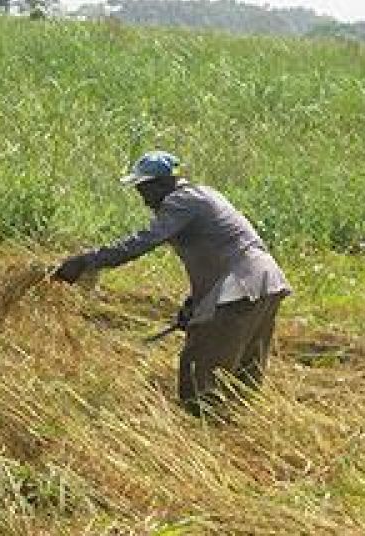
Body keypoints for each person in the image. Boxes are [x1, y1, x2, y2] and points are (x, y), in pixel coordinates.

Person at [52, 151, 291, 417]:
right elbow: (219, 250)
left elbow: (142, 242)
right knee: (240, 377)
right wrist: (195, 304)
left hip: (240, 285)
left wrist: (86, 261)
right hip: (266, 282)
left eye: (143, 189)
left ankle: (205, 438)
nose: (143, 199)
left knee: (200, 375)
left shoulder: (181, 201)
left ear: (161, 184)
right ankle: (232, 437)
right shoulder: (203, 195)